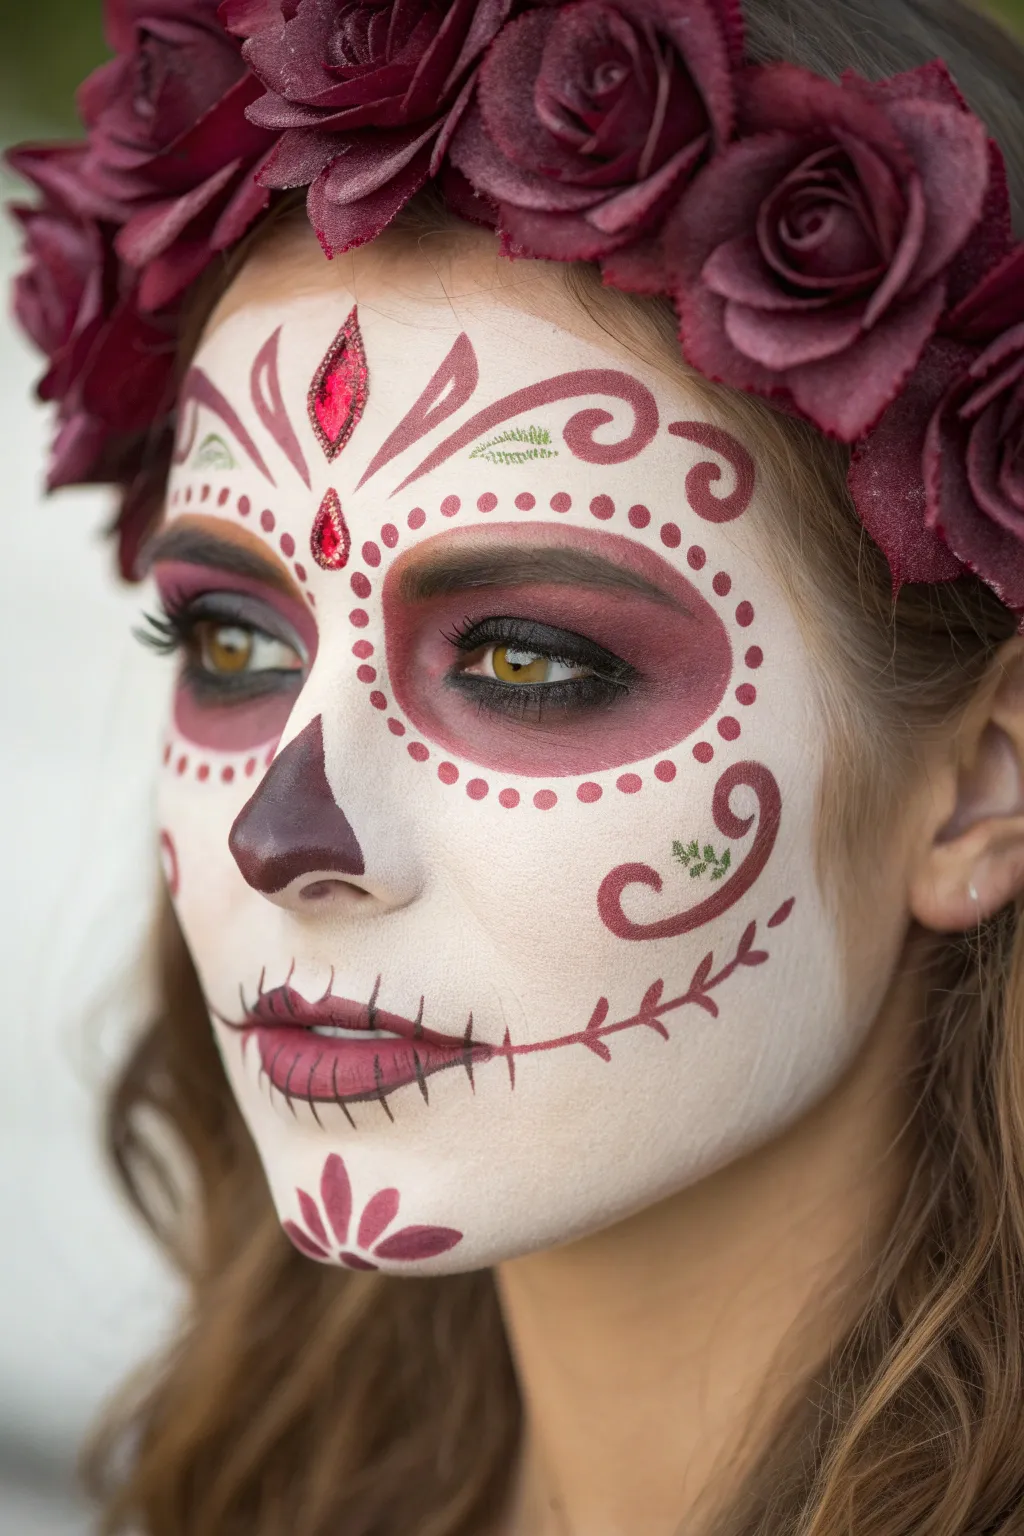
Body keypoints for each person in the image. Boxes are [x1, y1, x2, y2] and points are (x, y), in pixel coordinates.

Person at [9, 0, 1024, 1531]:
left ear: (979, 785)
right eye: (232, 645)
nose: (280, 836)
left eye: (525, 660)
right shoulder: (262, 1489)